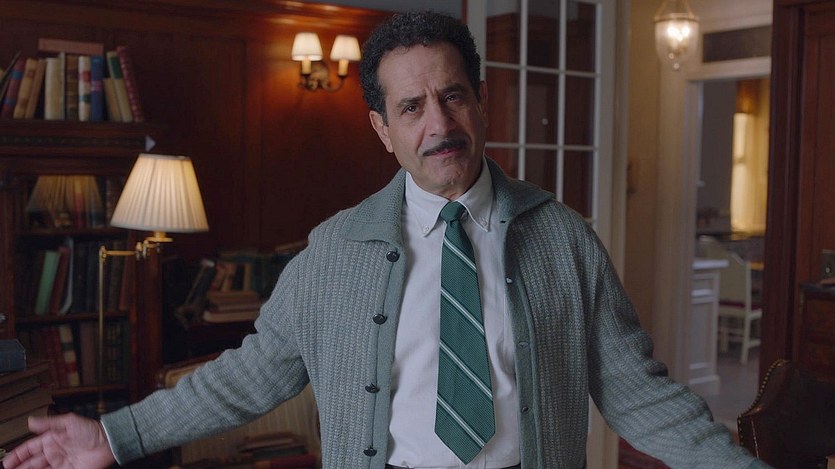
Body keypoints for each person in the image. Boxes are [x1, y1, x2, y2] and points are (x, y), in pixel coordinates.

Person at [6, 10, 768, 469]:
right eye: (411, 108)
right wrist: (116, 433)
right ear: (382, 128)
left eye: (452, 96)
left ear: (481, 103)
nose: (438, 124)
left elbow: (642, 394)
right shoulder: (333, 251)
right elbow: (248, 375)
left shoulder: (564, 240)